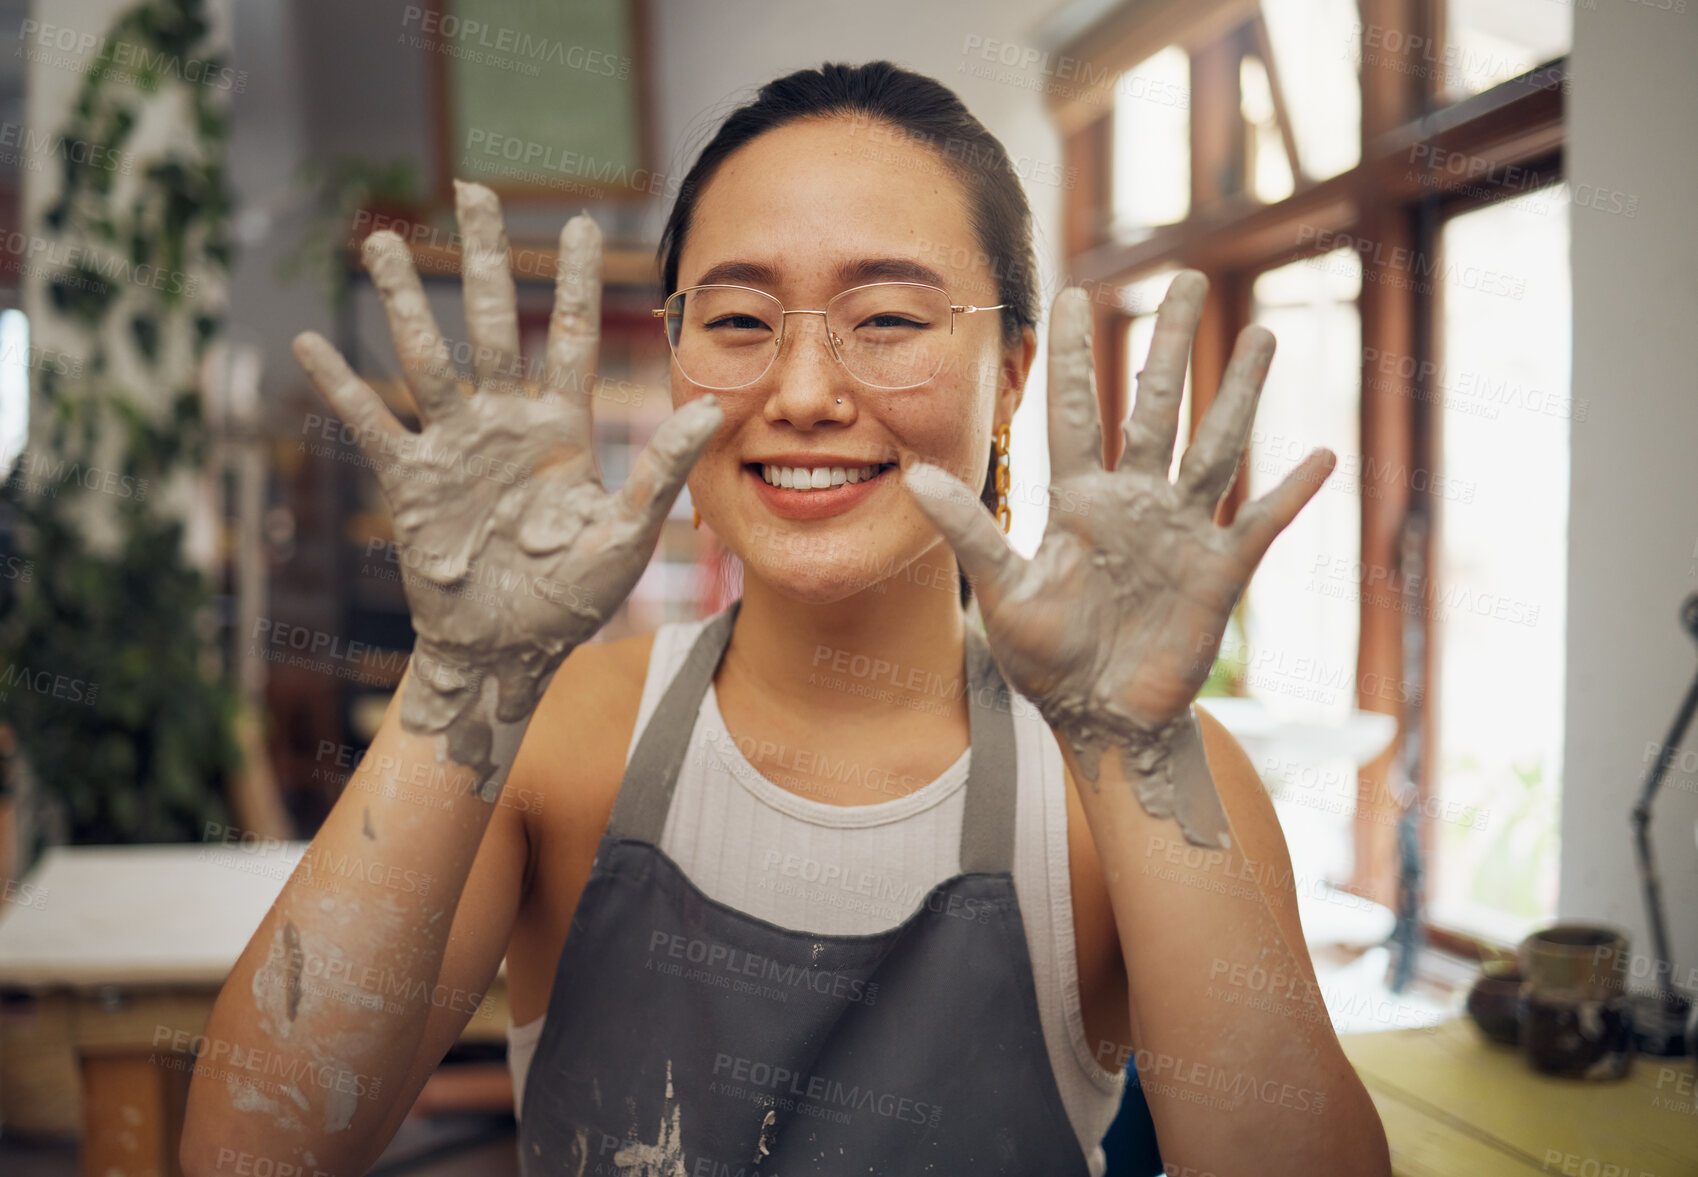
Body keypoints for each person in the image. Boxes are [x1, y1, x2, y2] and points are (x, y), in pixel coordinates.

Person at [181, 61, 1391, 1177]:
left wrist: (1138, 749)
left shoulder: (1135, 778)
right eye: (741, 322)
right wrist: (463, 677)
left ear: (1011, 372)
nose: (804, 393)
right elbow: (250, 1151)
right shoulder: (560, 736)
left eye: (890, 319)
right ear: (674, 358)